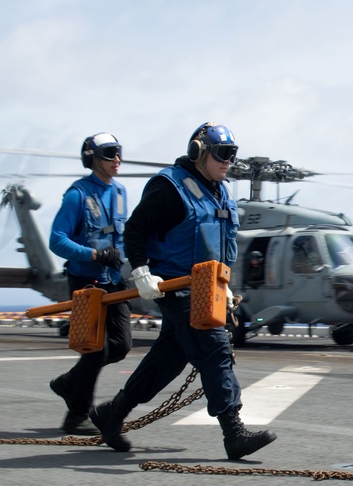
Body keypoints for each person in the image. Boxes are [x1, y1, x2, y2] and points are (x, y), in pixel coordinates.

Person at [89, 122, 277, 459]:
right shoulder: (171, 189)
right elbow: (136, 230)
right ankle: (233, 433)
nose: (227, 162)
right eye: (222, 155)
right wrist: (142, 271)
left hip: (209, 289)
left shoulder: (221, 191)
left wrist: (226, 288)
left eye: (232, 156)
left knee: (168, 359)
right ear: (198, 152)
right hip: (177, 288)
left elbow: (223, 248)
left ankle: (112, 414)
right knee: (215, 347)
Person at [47, 133, 132, 435]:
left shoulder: (120, 192)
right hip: (86, 281)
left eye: (118, 153)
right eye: (109, 154)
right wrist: (93, 253)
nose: (117, 160)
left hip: (114, 279)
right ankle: (77, 416)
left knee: (121, 346)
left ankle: (69, 382)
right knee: (95, 350)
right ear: (93, 158)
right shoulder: (77, 195)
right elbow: (56, 240)